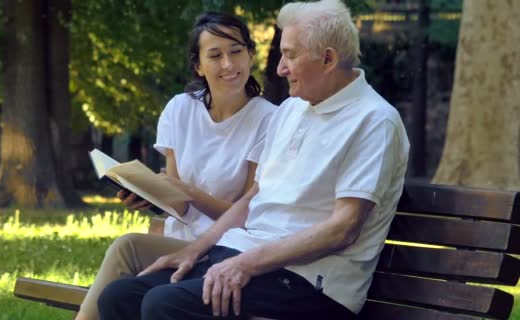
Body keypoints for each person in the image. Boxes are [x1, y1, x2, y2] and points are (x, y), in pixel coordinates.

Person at [96, 0, 410, 319]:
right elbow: (253, 197)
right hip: (249, 255)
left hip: (313, 283)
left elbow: (342, 229)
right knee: (120, 297)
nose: (280, 68)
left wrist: (246, 264)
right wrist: (194, 250)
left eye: (290, 55)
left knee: (163, 305)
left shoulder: (374, 121)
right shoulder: (292, 109)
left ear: (328, 58)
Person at [74, 12, 276, 320]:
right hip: (177, 244)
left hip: (227, 252)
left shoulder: (269, 120)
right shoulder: (180, 109)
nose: (228, 64)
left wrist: (191, 193)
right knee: (124, 269)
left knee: (126, 249)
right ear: (198, 66)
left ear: (251, 54)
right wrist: (148, 196)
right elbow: (177, 202)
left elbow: (248, 215)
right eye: (215, 55)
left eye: (236, 51)